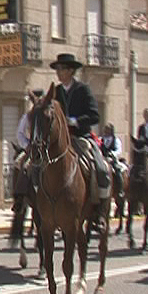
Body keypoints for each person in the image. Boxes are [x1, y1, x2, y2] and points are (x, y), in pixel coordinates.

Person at [51, 53, 111, 201]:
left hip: (81, 137)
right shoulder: (55, 92)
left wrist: (75, 121)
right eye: (57, 69)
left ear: (71, 71)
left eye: (61, 69)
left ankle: (101, 204)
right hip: (61, 139)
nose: (58, 72)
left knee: (101, 167)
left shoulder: (83, 90)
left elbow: (94, 116)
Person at [100, 123, 126, 197]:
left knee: (117, 170)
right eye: (105, 129)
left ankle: (120, 189)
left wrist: (113, 154)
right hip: (102, 158)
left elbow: (118, 150)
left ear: (111, 130)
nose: (106, 131)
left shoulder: (116, 140)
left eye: (108, 129)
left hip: (112, 159)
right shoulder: (101, 139)